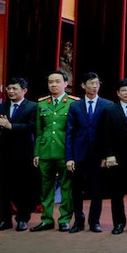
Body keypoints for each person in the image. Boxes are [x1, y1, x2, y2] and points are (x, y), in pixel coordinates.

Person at [65, 72, 113, 233]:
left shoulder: (108, 104)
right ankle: (78, 221)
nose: (94, 86)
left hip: (98, 156)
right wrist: (69, 157)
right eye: (91, 83)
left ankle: (94, 221)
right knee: (76, 190)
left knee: (97, 190)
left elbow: (109, 133)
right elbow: (69, 133)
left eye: (97, 83)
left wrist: (107, 155)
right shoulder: (75, 105)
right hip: (79, 154)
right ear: (83, 85)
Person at [0, 78, 38, 232]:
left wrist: (11, 126)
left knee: (22, 187)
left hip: (24, 154)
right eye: (9, 88)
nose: (11, 91)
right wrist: (0, 124)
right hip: (4, 153)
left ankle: (22, 219)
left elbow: (32, 127)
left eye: (14, 88)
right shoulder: (1, 107)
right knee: (4, 188)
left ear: (24, 90)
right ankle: (5, 220)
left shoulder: (32, 107)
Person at [31, 71, 78, 232]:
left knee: (66, 188)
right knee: (46, 188)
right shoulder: (42, 104)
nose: (53, 85)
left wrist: (72, 155)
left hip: (64, 151)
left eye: (57, 81)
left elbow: (74, 131)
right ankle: (46, 219)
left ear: (65, 84)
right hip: (45, 152)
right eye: (51, 82)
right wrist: (37, 152)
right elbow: (39, 131)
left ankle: (64, 219)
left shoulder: (73, 103)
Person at [99, 78, 127, 234]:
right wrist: (109, 154)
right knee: (117, 192)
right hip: (117, 158)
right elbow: (105, 135)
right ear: (118, 94)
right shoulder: (110, 110)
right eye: (123, 90)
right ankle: (118, 223)